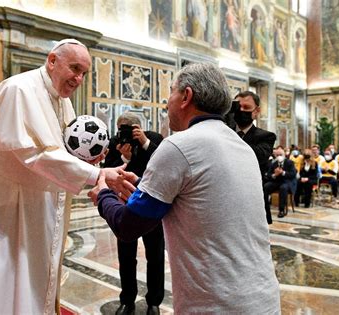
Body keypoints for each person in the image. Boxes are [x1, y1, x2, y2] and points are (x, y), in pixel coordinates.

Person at [0, 39, 124, 315]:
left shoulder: (62, 101)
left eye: (84, 73)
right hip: (4, 205)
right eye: (74, 68)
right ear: (52, 60)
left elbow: (59, 149)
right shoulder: (18, 90)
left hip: (37, 204)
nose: (79, 79)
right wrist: (95, 173)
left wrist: (85, 159)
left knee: (31, 279)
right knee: (0, 279)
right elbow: (33, 155)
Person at [89, 63, 281, 313]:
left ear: (186, 96)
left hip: (217, 305)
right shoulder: (241, 146)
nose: (166, 102)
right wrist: (143, 186)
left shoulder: (179, 145)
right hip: (263, 298)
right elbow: (198, 195)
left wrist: (103, 194)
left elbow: (128, 226)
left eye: (171, 92)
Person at [103, 113, 164, 315]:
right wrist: (124, 157)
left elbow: (162, 163)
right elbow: (107, 169)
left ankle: (154, 301)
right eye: (123, 128)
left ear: (140, 126)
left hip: (151, 203)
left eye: (131, 127)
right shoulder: (115, 143)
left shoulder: (153, 138)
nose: (126, 132)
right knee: (126, 256)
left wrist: (144, 142)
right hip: (125, 204)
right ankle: (127, 300)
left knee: (155, 254)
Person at [233, 90, 277, 183]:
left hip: (251, 187)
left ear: (256, 111)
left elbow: (257, 157)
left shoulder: (267, 136)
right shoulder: (225, 131)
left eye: (246, 107)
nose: (241, 110)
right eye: (238, 107)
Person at [263, 146, 297, 219]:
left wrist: (283, 172)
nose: (279, 157)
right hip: (276, 181)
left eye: (280, 155)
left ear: (284, 155)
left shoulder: (290, 163)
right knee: (266, 186)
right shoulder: (274, 163)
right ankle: (265, 208)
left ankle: (281, 210)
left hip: (286, 182)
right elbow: (268, 175)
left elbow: (293, 174)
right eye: (277, 155)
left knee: (283, 188)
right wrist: (274, 175)